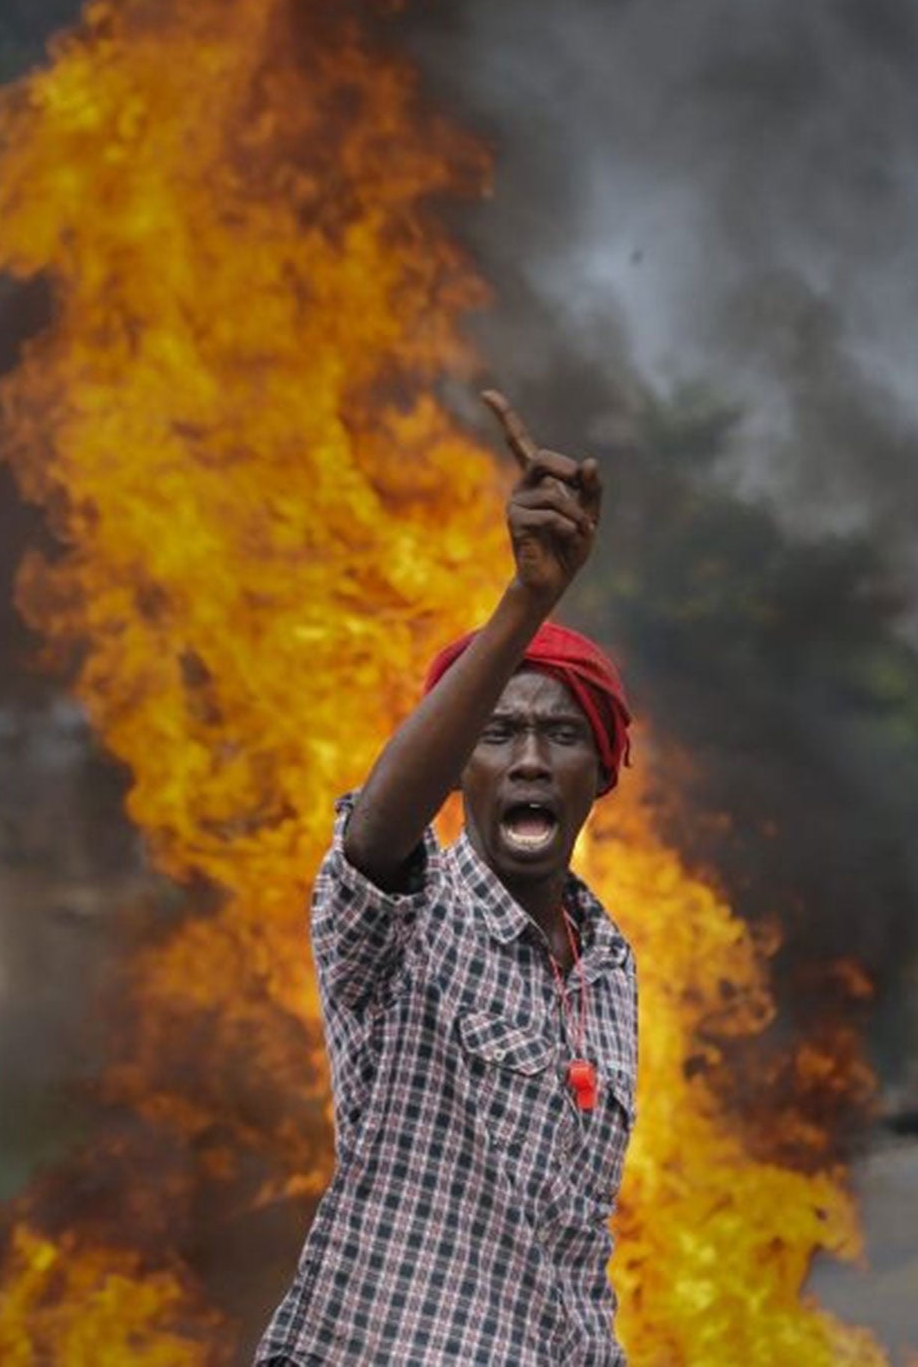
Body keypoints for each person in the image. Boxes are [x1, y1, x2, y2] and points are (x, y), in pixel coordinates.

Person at [255, 392, 637, 1366]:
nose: (524, 761)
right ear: (455, 766)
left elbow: (573, 1251)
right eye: (492, 734)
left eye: (558, 737)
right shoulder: (404, 917)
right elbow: (377, 826)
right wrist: (527, 600)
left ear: (599, 774)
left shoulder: (608, 970)